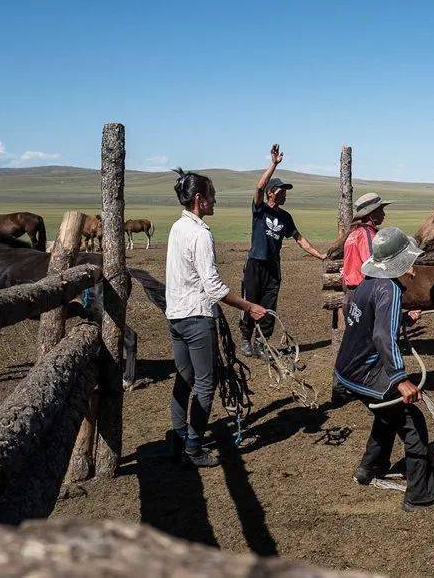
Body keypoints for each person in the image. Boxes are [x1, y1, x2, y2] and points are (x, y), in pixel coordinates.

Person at [334, 227, 434, 512]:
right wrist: (400, 379)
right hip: (365, 372)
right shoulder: (389, 288)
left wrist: (403, 319)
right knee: (412, 422)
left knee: (386, 415)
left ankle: (369, 468)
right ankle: (420, 497)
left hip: (348, 369)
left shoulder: (369, 281)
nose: (412, 267)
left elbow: (374, 319)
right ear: (398, 263)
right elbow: (381, 336)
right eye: (408, 260)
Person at [165, 168, 268, 467]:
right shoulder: (200, 234)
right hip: (197, 317)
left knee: (184, 379)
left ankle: (179, 435)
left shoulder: (176, 228)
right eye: (212, 196)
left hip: (176, 316)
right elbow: (214, 288)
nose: (215, 201)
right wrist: (249, 307)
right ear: (200, 199)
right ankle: (194, 447)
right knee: (206, 384)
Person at [240, 144, 327, 356]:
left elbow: (299, 239)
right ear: (272, 193)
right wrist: (274, 164)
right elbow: (259, 187)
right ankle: (245, 338)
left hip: (273, 267)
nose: (285, 194)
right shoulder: (259, 209)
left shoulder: (286, 217)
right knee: (250, 302)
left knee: (269, 306)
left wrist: (319, 255)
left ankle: (262, 342)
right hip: (255, 264)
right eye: (282, 191)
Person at [340, 192, 391, 299]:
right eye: (381, 210)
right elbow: (373, 265)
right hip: (363, 292)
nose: (384, 214)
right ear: (371, 214)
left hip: (351, 290)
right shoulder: (367, 234)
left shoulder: (354, 233)